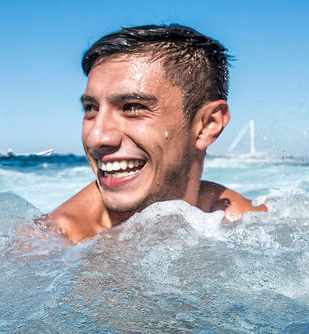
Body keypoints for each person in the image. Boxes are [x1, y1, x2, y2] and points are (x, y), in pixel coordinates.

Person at [43, 24, 267, 243]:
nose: (96, 138)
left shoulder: (249, 224)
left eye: (132, 107)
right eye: (91, 109)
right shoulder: (52, 247)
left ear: (208, 124)